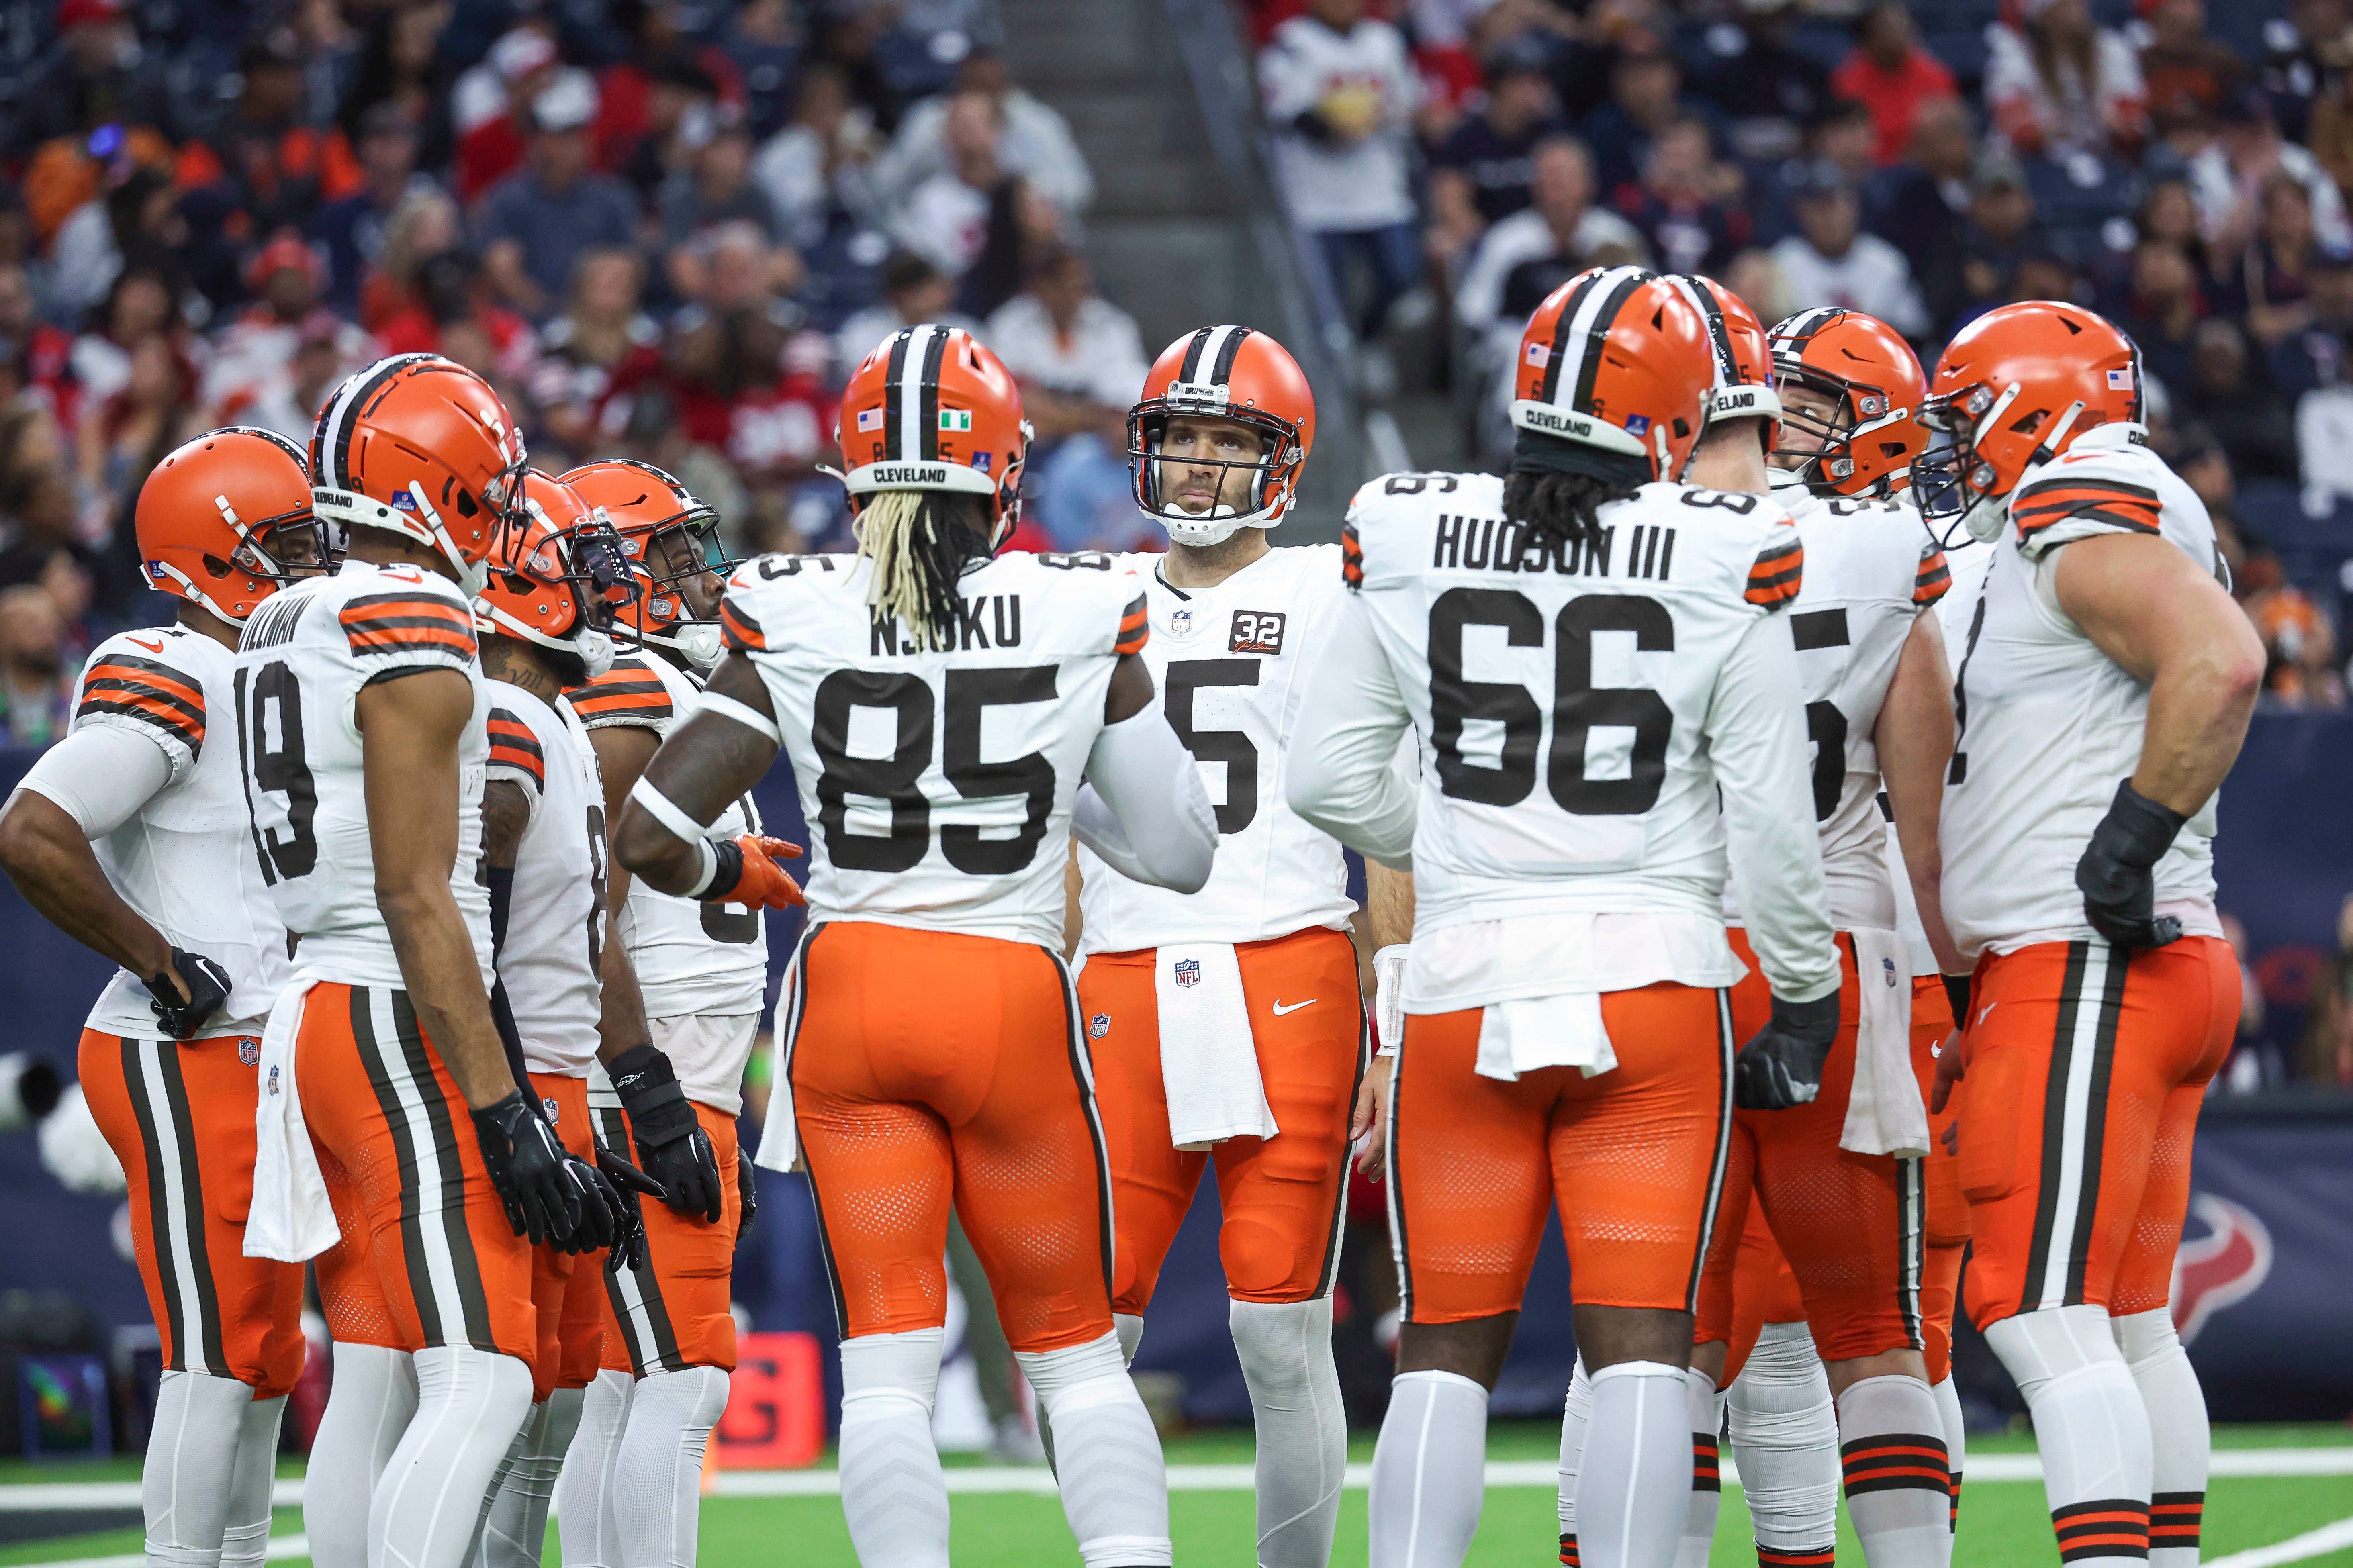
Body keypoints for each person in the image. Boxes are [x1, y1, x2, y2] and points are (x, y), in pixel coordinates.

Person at [611, 324, 1218, 1568]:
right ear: (1002, 472)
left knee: (885, 1358)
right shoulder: (1074, 604)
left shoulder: (795, 605)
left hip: (855, 989)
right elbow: (1180, 850)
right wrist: (1055, 795)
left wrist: (729, 868)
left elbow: (649, 826)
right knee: (1073, 1347)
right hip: (1006, 990)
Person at [1286, 266, 1842, 1568]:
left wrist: (1470, 852)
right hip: (1650, 977)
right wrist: (1804, 994)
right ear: (1669, 415)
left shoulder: (1410, 526)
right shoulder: (1726, 548)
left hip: (1463, 976)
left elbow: (1325, 780)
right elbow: (1769, 826)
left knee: (1440, 1346)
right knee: (1643, 1338)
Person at [237, 353, 616, 1568]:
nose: (503, 515)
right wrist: (508, 1112)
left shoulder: (277, 611)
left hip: (313, 1002)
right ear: (435, 482)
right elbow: (417, 891)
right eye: (490, 484)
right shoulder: (406, 612)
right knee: (487, 1371)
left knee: (377, 1367)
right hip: (392, 1008)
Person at [1920, 302, 2266, 1568]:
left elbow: (2220, 660)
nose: (1951, 449)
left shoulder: (2077, 495)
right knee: (2122, 1319)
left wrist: (2125, 836)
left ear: (2032, 406)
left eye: (1965, 417)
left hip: (2084, 959)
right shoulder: (2092, 506)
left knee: (2033, 1306)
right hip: (2151, 956)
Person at [0, 427, 326, 1568]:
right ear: (215, 554)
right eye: (286, 542)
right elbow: (35, 831)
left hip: (267, 1049)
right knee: (215, 1350)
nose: (313, 561)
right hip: (187, 1049)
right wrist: (161, 960)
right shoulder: (172, 667)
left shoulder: (289, 668)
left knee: (270, 1355)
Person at [1072, 326, 1362, 1568]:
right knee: (1088, 1333)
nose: (1194, 467)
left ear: (1279, 462)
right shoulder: (1084, 601)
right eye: (1177, 438)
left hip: (1284, 955)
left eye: (1225, 441)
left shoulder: (1331, 589)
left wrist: (1394, 1006)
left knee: (1276, 1322)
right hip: (1124, 968)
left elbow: (1384, 821)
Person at [553, 457, 778, 1568]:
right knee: (682, 1380)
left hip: (679, 1059)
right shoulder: (631, 690)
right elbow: (585, 906)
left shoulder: (666, 685)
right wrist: (645, 1090)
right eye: (674, 555)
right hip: (654, 1068)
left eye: (698, 548)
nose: (699, 575)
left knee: (614, 1380)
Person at [469, 470, 664, 1568]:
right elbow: (474, 910)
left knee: (552, 1380)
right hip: (510, 1076)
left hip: (552, 1069)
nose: (603, 586)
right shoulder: (503, 711)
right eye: (577, 566)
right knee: (486, 1379)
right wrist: (514, 1107)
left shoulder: (546, 713)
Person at [1258, 0, 1425, 339]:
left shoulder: (1385, 41)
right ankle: (1337, 369)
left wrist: (1380, 117)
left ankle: (1368, 340)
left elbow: (1408, 102)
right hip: (1316, 198)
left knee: (1401, 277)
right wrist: (1334, 128)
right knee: (1326, 303)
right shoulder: (1292, 42)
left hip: (1379, 188)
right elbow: (1286, 111)